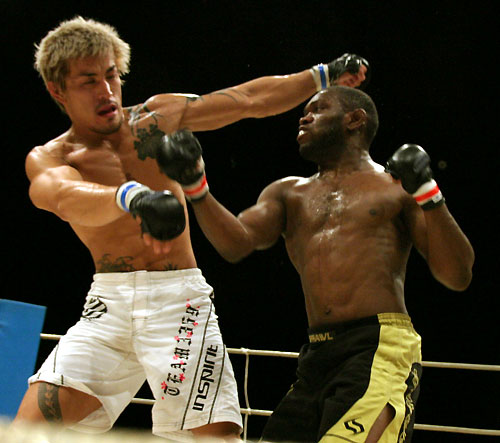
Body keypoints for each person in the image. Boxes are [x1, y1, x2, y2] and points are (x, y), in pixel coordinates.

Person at [14, 15, 370, 442]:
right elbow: (57, 194)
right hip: (107, 306)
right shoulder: (53, 157)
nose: (106, 91)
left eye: (111, 75)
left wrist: (322, 75)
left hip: (177, 303)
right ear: (58, 90)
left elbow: (248, 99)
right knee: (28, 431)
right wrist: (131, 198)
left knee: (213, 439)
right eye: (89, 81)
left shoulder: (154, 120)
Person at [159, 86, 475, 442]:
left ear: (355, 119)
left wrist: (429, 193)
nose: (304, 117)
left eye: (318, 109)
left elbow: (457, 275)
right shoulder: (288, 193)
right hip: (316, 356)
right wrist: (196, 186)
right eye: (305, 111)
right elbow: (236, 243)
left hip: (379, 347)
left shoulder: (395, 188)